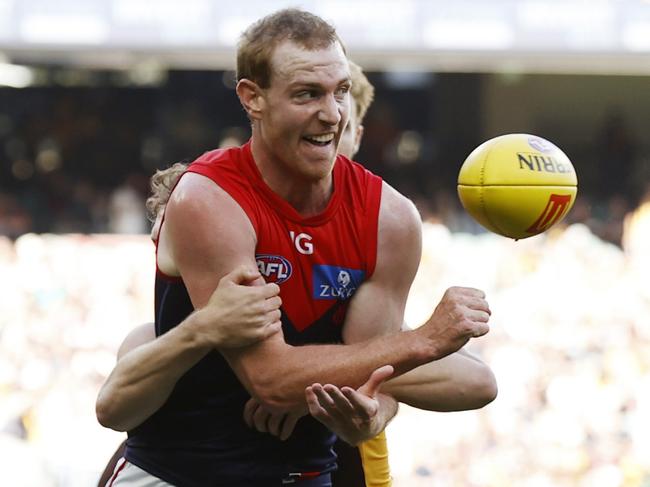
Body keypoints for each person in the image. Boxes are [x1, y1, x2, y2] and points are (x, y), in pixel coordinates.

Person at [96, 9, 492, 486]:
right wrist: (423, 341)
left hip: (307, 476)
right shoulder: (209, 198)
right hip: (180, 475)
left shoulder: (392, 218)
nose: (332, 115)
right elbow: (272, 380)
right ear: (252, 98)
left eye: (340, 92)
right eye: (308, 94)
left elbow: (380, 373)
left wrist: (369, 415)